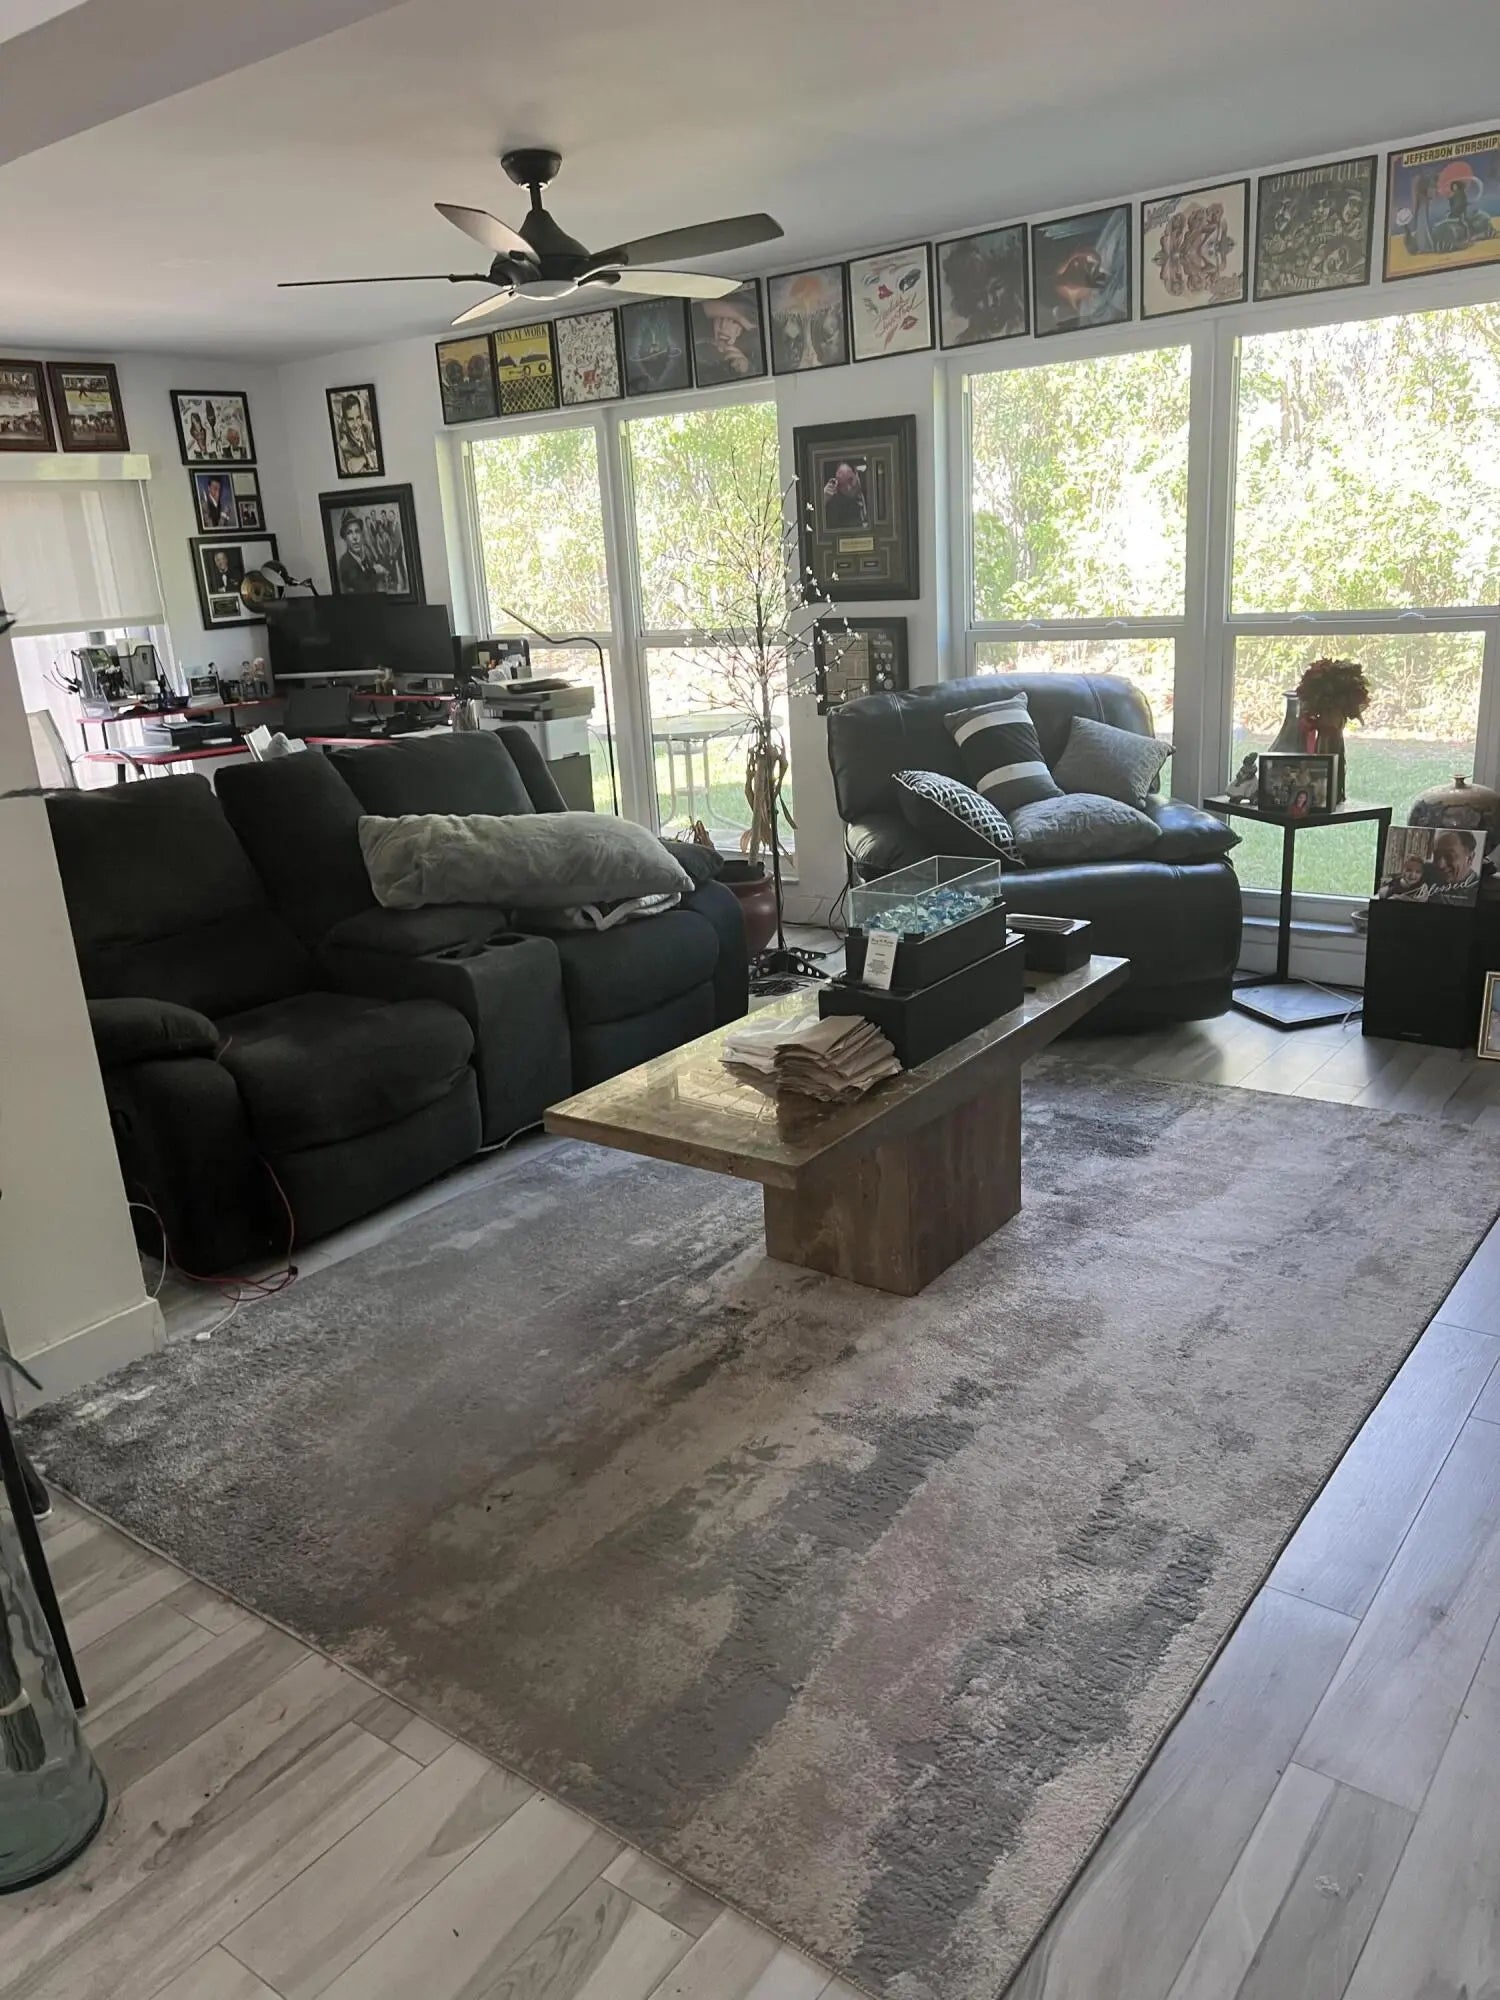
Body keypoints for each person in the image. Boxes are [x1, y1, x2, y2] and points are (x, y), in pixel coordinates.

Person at [1426, 828, 1483, 904]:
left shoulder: (1477, 891)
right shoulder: (1425, 873)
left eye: (1449, 856)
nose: (1440, 865)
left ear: (1470, 858)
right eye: (1437, 855)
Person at [337, 511, 384, 593]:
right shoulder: (344, 561)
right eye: (349, 533)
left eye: (357, 531)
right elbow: (360, 585)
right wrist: (375, 571)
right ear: (345, 538)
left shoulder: (364, 557)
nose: (355, 537)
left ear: (362, 535)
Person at [822, 461, 868, 531]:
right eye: (842, 485)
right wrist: (823, 499)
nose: (849, 488)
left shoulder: (870, 480)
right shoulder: (836, 504)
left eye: (850, 480)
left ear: (855, 473)